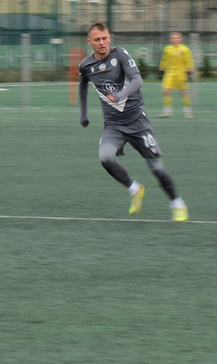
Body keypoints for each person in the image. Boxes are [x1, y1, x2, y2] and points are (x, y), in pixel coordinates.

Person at [80, 22, 188, 221]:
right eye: (97, 39)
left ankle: (177, 202)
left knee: (156, 168)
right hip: (114, 125)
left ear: (109, 38)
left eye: (104, 38)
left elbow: (138, 81)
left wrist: (119, 95)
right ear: (90, 42)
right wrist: (84, 114)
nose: (101, 43)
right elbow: (83, 85)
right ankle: (134, 189)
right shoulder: (86, 65)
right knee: (105, 158)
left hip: (138, 121)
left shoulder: (120, 54)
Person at [158, 32, 195, 118]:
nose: (174, 39)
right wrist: (162, 66)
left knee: (183, 92)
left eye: (176, 37)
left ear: (180, 39)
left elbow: (188, 59)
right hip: (170, 73)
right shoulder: (167, 49)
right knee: (166, 91)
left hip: (181, 73)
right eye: (172, 38)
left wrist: (190, 67)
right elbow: (164, 59)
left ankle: (187, 111)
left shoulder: (185, 49)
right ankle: (167, 111)